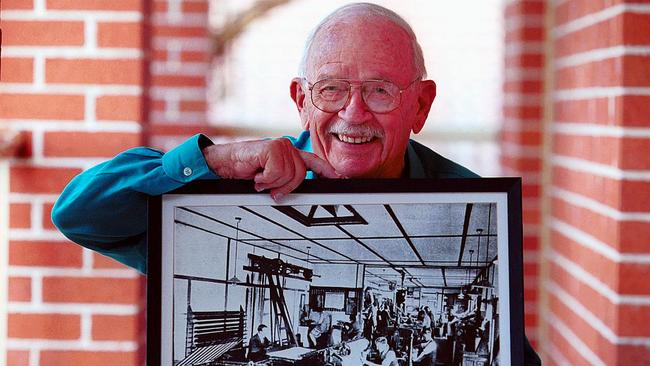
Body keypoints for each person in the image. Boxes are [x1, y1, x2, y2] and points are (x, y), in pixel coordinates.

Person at [50, 3, 540, 365]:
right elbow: (79, 214)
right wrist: (216, 161)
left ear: (421, 105)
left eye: (381, 91)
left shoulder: (467, 200)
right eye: (331, 89)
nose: (354, 113)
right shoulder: (230, 183)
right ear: (300, 98)